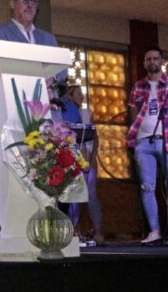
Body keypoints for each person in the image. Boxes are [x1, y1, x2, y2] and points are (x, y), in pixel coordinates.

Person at [127, 46, 168, 245]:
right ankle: (154, 231)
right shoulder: (138, 86)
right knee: (147, 187)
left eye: (155, 58)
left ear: (162, 61)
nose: (152, 61)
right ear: (144, 63)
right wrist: (138, 134)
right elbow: (133, 113)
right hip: (144, 142)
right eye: (148, 59)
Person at [0, 0, 67, 84]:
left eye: (33, 1)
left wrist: (52, 79)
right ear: (12, 4)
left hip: (47, 92)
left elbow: (62, 68)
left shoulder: (48, 38)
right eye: (25, 0)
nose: (30, 5)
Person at [58, 84, 104, 244]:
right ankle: (74, 230)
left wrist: (91, 158)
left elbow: (94, 137)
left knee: (91, 195)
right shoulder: (62, 113)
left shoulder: (86, 113)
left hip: (87, 156)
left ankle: (98, 230)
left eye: (82, 94)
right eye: (78, 94)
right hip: (70, 158)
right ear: (69, 96)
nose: (82, 97)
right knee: (73, 195)